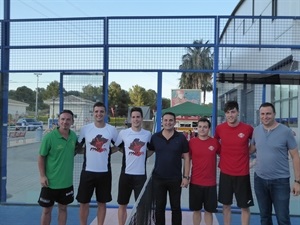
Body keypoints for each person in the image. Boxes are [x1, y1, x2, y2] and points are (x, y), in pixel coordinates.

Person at [249, 102, 300, 225]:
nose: (265, 117)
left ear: (274, 114)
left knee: (283, 218)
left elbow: (295, 156)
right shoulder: (256, 131)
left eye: (268, 114)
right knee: (264, 218)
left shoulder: (286, 132)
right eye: (262, 114)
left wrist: (297, 181)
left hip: (280, 182)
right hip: (260, 181)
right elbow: (251, 150)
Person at [76, 102, 118, 225]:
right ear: (93, 113)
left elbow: (118, 146)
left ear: (105, 113)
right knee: (84, 203)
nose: (99, 114)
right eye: (96, 111)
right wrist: (89, 150)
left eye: (101, 111)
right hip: (87, 172)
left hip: (104, 173)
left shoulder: (112, 130)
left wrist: (107, 151)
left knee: (102, 203)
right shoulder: (85, 129)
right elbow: (78, 148)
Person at [214, 100, 254, 225]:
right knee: (226, 206)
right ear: (225, 114)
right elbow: (215, 145)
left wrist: (246, 153)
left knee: (244, 207)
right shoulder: (220, 128)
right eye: (227, 112)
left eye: (233, 112)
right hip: (225, 173)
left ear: (238, 112)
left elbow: (258, 142)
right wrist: (223, 154)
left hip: (242, 174)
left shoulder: (247, 129)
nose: (230, 115)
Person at [149, 111, 190, 225]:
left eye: (170, 120)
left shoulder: (181, 138)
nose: (168, 122)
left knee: (176, 208)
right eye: (165, 120)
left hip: (175, 179)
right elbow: (148, 152)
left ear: (175, 122)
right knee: (159, 208)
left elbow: (187, 158)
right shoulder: (155, 137)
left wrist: (186, 177)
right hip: (158, 179)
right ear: (162, 122)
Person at [38, 109, 77, 225]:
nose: (65, 122)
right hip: (50, 183)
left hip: (66, 183)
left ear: (72, 122)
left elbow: (75, 151)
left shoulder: (73, 136)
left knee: (63, 209)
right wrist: (42, 176)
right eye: (62, 119)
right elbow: (41, 157)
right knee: (46, 211)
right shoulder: (49, 137)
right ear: (58, 121)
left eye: (68, 119)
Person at [115, 107, 152, 225]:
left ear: (142, 118)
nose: (136, 119)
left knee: (142, 206)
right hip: (125, 175)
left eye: (138, 117)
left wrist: (142, 156)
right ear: (130, 119)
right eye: (133, 117)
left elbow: (151, 150)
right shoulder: (123, 133)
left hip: (141, 176)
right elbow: (119, 148)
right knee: (122, 205)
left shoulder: (147, 134)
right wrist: (130, 153)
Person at [189, 118, 220, 225]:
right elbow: (186, 159)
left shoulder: (214, 142)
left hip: (210, 184)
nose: (202, 129)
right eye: (200, 127)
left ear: (209, 129)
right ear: (197, 128)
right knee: (196, 211)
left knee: (209, 211)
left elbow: (225, 156)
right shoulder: (191, 142)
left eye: (205, 127)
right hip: (195, 182)